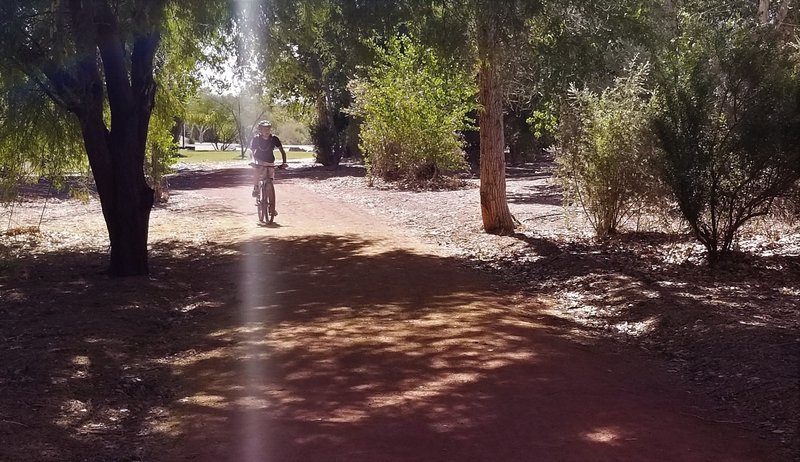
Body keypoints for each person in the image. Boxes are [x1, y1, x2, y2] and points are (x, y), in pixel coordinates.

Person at [250, 120, 288, 214]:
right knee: (257, 170)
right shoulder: (256, 139)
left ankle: (271, 207)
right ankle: (256, 187)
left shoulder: (274, 138)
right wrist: (252, 161)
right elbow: (251, 152)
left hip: (270, 161)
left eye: (268, 129)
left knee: (270, 182)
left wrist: (284, 163)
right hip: (259, 159)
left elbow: (282, 151)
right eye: (264, 129)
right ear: (260, 130)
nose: (266, 131)